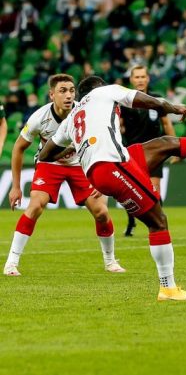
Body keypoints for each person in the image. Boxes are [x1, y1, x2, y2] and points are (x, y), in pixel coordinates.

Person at [38, 75, 186, 301]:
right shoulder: (105, 91)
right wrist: (173, 107)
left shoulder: (72, 117)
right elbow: (147, 100)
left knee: (166, 144)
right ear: (99, 87)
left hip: (107, 166)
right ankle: (168, 288)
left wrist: (74, 148)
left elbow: (44, 155)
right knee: (158, 221)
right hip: (113, 165)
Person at [4, 74, 125, 277]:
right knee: (35, 206)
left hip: (81, 164)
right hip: (49, 164)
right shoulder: (39, 118)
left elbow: (105, 140)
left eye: (71, 90)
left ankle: (110, 261)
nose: (68, 95)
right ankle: (11, 263)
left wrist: (102, 177)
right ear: (52, 95)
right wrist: (16, 187)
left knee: (102, 212)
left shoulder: (85, 111)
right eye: (62, 91)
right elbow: (18, 148)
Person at [120, 66, 177, 237]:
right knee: (131, 191)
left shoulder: (157, 100)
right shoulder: (124, 101)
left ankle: (160, 224)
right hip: (132, 153)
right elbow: (119, 126)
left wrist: (175, 148)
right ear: (131, 80)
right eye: (137, 77)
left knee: (154, 190)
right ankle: (131, 222)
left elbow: (166, 124)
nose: (140, 80)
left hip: (155, 151)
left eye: (143, 76)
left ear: (148, 79)